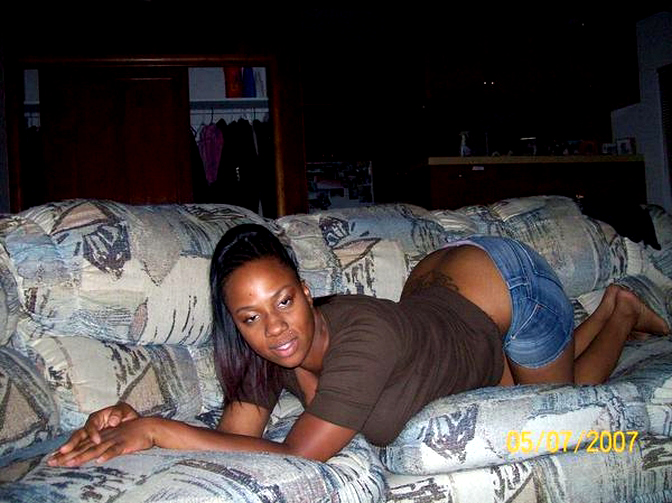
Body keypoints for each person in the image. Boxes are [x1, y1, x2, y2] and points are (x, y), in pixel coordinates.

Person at [48, 224, 670, 467]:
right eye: (251, 318)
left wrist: (159, 430)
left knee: (565, 403)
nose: (276, 329)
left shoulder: (361, 340)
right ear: (236, 325)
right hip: (437, 292)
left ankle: (619, 309)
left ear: (306, 289)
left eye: (284, 301)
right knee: (513, 380)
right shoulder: (272, 351)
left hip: (504, 283)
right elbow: (238, 438)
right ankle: (592, 321)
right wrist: (135, 418)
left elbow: (299, 454)